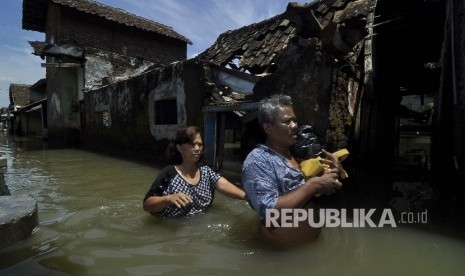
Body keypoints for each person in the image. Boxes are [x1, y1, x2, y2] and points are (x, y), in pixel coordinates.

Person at [242, 94, 343, 245]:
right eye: (287, 121)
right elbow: (270, 212)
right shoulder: (257, 161)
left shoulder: (295, 153)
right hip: (280, 254)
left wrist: (332, 174)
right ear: (268, 128)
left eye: (295, 120)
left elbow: (306, 193)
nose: (295, 126)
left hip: (312, 248)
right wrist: (314, 185)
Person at [143, 126, 247, 218]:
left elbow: (223, 185)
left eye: (200, 144)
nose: (197, 148)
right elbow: (147, 205)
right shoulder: (169, 174)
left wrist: (247, 197)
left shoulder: (206, 170)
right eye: (192, 144)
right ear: (179, 148)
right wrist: (168, 199)